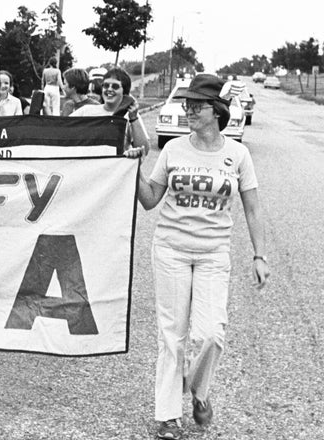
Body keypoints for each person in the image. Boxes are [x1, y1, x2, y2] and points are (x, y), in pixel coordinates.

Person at [130, 74, 270, 439]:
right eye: (187, 104)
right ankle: (167, 416)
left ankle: (199, 392)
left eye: (197, 105)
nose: (188, 109)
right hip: (171, 250)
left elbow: (253, 209)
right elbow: (149, 200)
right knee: (171, 335)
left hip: (213, 254)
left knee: (211, 334)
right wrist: (132, 169)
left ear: (217, 110)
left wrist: (260, 255)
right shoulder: (174, 149)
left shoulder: (237, 154)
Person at [70, 67, 149, 156]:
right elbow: (62, 130)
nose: (109, 89)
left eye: (115, 86)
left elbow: (144, 149)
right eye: (106, 85)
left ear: (125, 92)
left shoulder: (130, 116)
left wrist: (134, 119)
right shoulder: (85, 111)